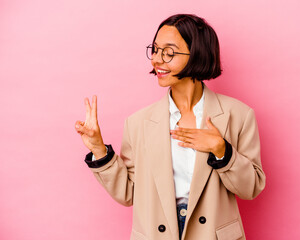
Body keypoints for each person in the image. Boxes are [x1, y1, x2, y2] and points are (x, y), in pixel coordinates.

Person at [75, 13, 265, 240]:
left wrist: (222, 150)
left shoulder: (239, 115)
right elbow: (128, 193)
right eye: (155, 50)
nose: (156, 59)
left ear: (196, 54)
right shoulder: (138, 123)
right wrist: (99, 149)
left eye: (169, 52)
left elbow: (250, 189)